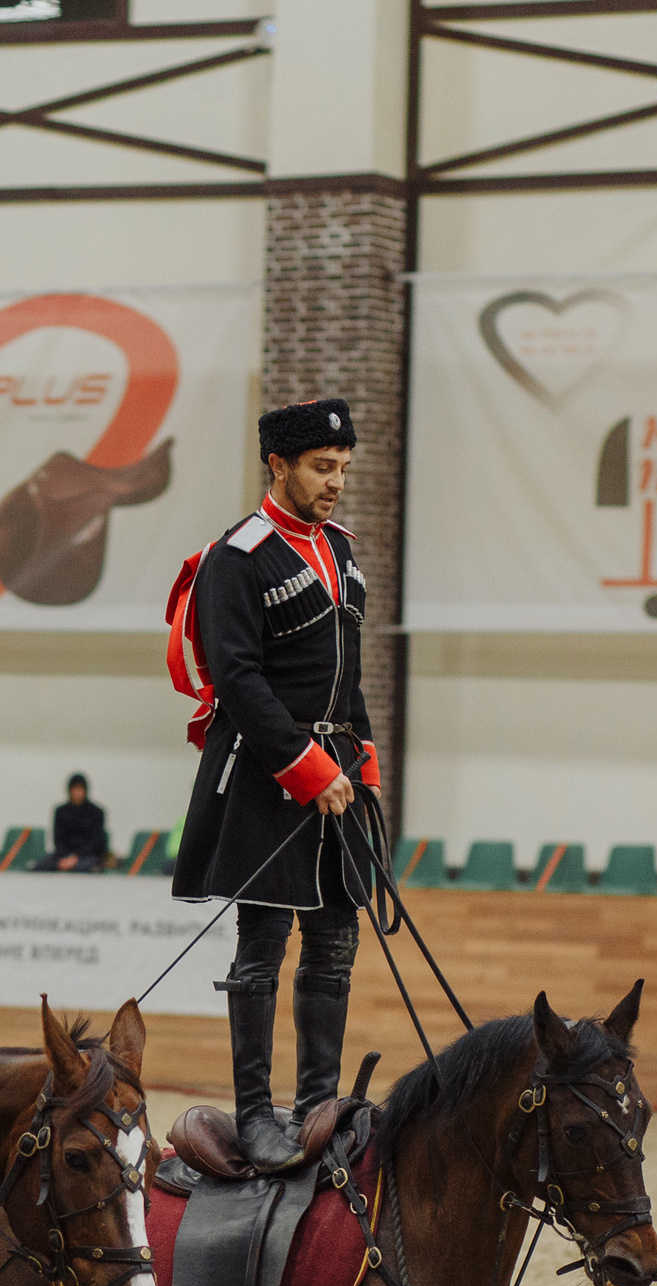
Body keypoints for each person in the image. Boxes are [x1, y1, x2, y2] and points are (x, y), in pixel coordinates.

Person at [171, 399, 380, 1172]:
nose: (336, 483)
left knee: (335, 940)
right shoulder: (239, 555)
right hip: (267, 776)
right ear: (279, 465)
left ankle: (318, 1109)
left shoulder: (343, 551)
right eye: (323, 468)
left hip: (338, 777)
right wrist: (305, 766)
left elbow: (348, 677)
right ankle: (257, 1115)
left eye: (343, 469)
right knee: (262, 945)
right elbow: (237, 677)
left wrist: (363, 770)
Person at [34, 772, 110, 871]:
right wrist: (65, 858)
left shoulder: (96, 812)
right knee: (40, 866)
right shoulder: (61, 811)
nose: (77, 792)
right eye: (74, 788)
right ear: (69, 790)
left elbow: (96, 842)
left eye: (80, 788)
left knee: (82, 867)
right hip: (63, 855)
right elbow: (58, 840)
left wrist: (75, 858)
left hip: (87, 855)